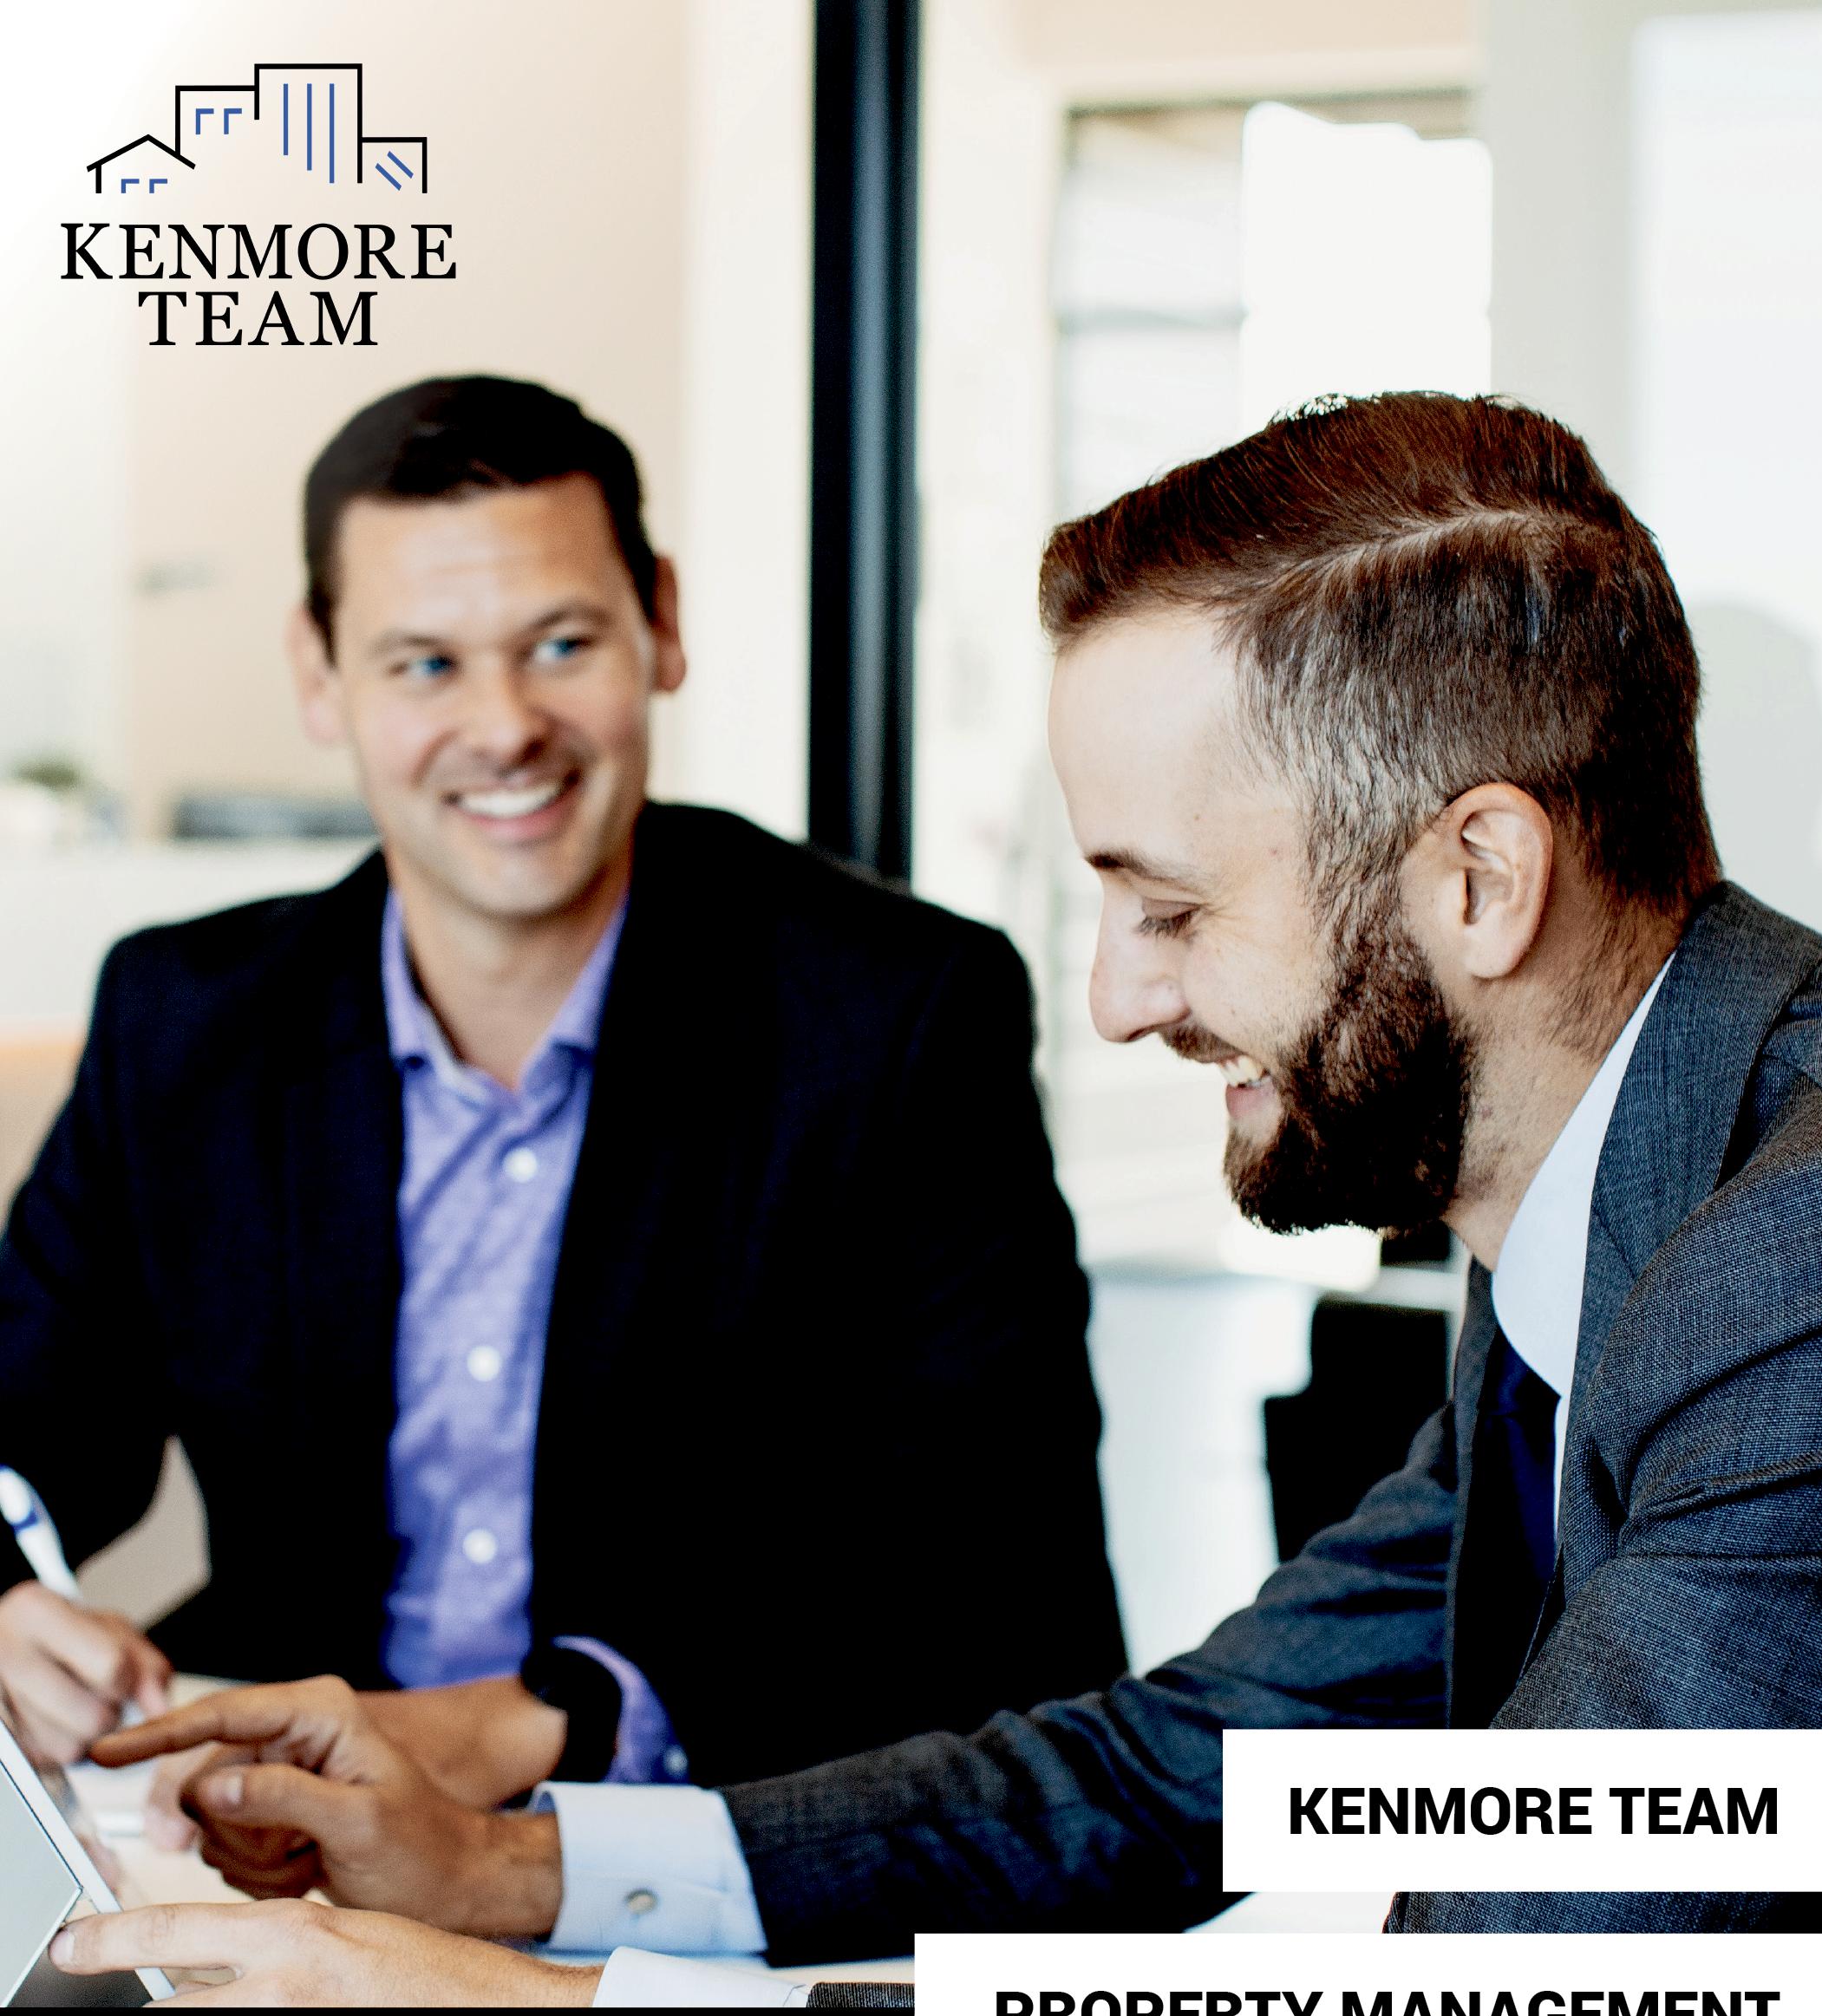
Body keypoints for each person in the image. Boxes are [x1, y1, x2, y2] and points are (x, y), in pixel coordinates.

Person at [54, 388, 1822, 2008]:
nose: (1118, 997)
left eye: (1170, 906)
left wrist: (532, 2006)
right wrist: (505, 1871)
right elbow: (1188, 1774)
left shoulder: (1790, 1280)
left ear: (1481, 879)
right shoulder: (1604, 1232)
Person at [0, 375, 1124, 1790]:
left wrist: (553, 1719)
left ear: (661, 623)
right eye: (424, 664)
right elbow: (24, 1425)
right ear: (318, 670)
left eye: (559, 643)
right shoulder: (187, 1021)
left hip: (709, 1832)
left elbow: (999, 1571)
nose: (505, 726)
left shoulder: (899, 1015)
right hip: (280, 1835)